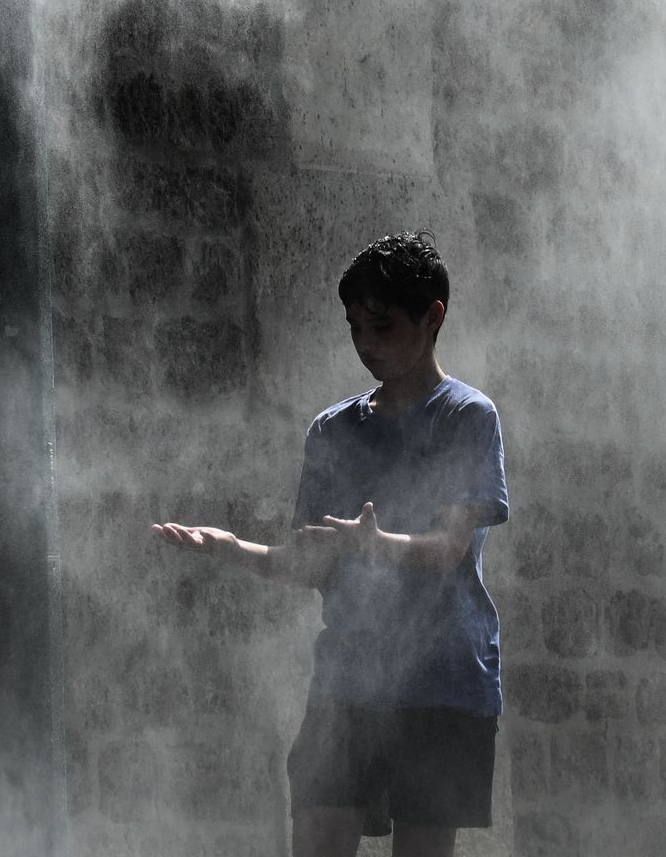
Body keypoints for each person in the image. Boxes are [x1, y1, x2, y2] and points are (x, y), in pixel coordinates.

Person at [151, 231, 509, 857]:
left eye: (382, 325)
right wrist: (233, 548)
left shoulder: (466, 416)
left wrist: (377, 546)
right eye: (354, 328)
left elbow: (449, 549)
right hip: (347, 676)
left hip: (442, 679)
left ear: (433, 318)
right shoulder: (333, 429)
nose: (366, 344)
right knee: (316, 830)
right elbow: (311, 561)